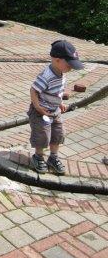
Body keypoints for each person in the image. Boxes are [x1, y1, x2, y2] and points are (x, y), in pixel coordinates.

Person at [28, 40, 84, 175]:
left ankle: (53, 157)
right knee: (42, 135)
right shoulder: (47, 75)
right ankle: (38, 156)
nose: (71, 68)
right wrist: (38, 107)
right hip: (41, 112)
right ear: (58, 60)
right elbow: (33, 90)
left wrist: (60, 103)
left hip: (55, 111)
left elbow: (57, 91)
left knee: (58, 134)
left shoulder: (62, 73)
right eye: (69, 65)